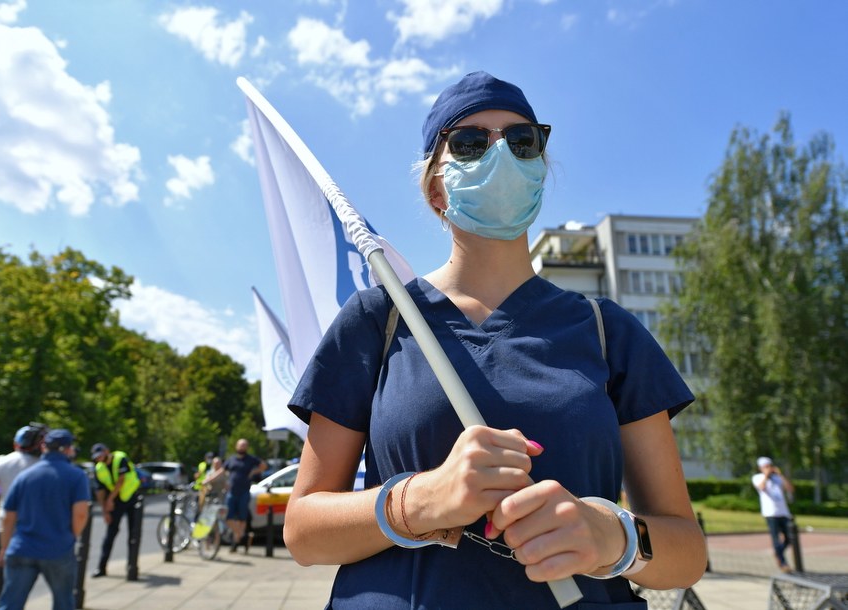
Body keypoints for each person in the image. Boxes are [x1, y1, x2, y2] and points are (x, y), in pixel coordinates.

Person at [283, 71, 707, 608]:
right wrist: (420, 502)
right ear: (437, 188)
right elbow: (302, 531)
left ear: (539, 168)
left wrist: (611, 537)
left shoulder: (608, 331)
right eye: (469, 142)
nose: (500, 153)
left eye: (522, 140)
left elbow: (686, 552)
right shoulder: (378, 320)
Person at [0, 429, 90, 610]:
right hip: (58, 548)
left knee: (10, 603)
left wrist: (4, 548)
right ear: (68, 449)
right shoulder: (76, 476)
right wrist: (71, 536)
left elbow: (8, 518)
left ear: (44, 447)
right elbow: (81, 514)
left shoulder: (25, 476)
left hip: (21, 547)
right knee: (63, 602)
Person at [90, 442, 142, 579]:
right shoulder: (99, 468)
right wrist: (105, 511)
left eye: (101, 454)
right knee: (110, 533)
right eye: (96, 456)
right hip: (115, 501)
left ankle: (132, 567)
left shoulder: (120, 458)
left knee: (133, 534)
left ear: (107, 451)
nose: (99, 458)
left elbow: (121, 480)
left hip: (131, 497)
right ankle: (101, 567)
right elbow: (99, 491)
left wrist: (110, 500)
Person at [752, 456, 795, 572]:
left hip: (784, 512)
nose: (769, 468)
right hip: (771, 513)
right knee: (776, 539)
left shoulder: (777, 478)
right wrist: (766, 475)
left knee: (790, 538)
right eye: (766, 467)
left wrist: (780, 475)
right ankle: (782, 562)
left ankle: (778, 552)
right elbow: (761, 487)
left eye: (770, 466)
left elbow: (790, 489)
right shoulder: (758, 477)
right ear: (761, 468)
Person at [223, 439, 266, 552]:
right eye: (241, 445)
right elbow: (223, 471)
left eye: (244, 446)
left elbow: (263, 466)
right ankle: (243, 536)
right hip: (232, 492)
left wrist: (253, 472)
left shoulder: (251, 459)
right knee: (228, 517)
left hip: (244, 492)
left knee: (242, 518)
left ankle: (236, 543)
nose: (242, 447)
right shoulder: (231, 459)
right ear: (236, 446)